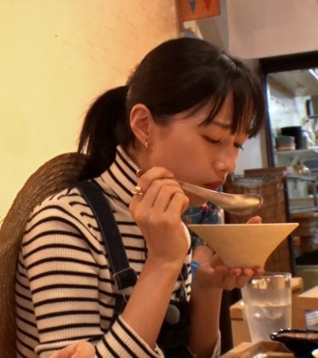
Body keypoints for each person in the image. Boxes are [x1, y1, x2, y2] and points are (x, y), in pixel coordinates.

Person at [16, 38, 266, 358]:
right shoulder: (65, 224)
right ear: (144, 125)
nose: (228, 164)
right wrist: (162, 263)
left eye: (237, 144)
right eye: (213, 138)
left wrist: (208, 286)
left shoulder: (169, 219)